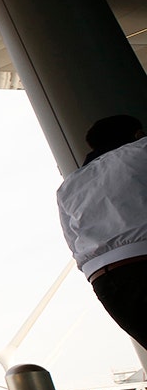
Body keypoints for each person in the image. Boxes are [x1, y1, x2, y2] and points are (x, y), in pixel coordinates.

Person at [56, 114, 147, 350]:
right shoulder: (141, 150)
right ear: (137, 134)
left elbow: (73, 242)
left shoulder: (69, 185)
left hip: (105, 281)